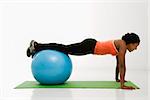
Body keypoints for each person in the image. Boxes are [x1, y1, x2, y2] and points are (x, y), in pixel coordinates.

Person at [27, 33, 140, 90]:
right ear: (131, 42)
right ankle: (37, 46)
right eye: (135, 45)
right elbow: (122, 65)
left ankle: (37, 47)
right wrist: (122, 85)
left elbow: (118, 64)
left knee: (65, 48)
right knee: (64, 48)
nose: (135, 48)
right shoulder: (123, 45)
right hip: (90, 46)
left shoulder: (121, 45)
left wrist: (118, 79)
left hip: (91, 46)